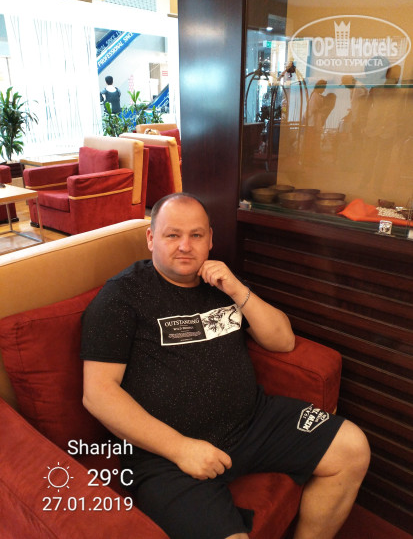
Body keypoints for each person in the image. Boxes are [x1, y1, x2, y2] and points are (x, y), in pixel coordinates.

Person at [80, 193, 370, 539]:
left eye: (196, 235)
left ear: (210, 240)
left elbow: (283, 341)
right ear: (151, 238)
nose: (185, 246)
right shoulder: (121, 296)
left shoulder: (220, 283)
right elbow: (98, 394)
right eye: (173, 235)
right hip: (165, 455)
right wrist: (180, 448)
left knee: (352, 448)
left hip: (252, 423)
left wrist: (236, 290)